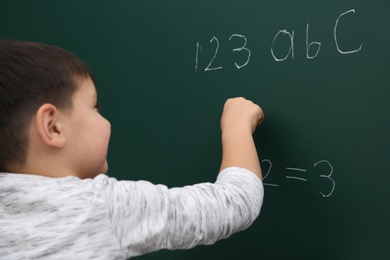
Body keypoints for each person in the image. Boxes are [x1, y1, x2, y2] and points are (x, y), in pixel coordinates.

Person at [0, 40, 265, 259]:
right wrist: (236, 126)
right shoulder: (98, 206)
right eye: (95, 107)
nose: (105, 120)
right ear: (53, 127)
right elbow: (235, 202)